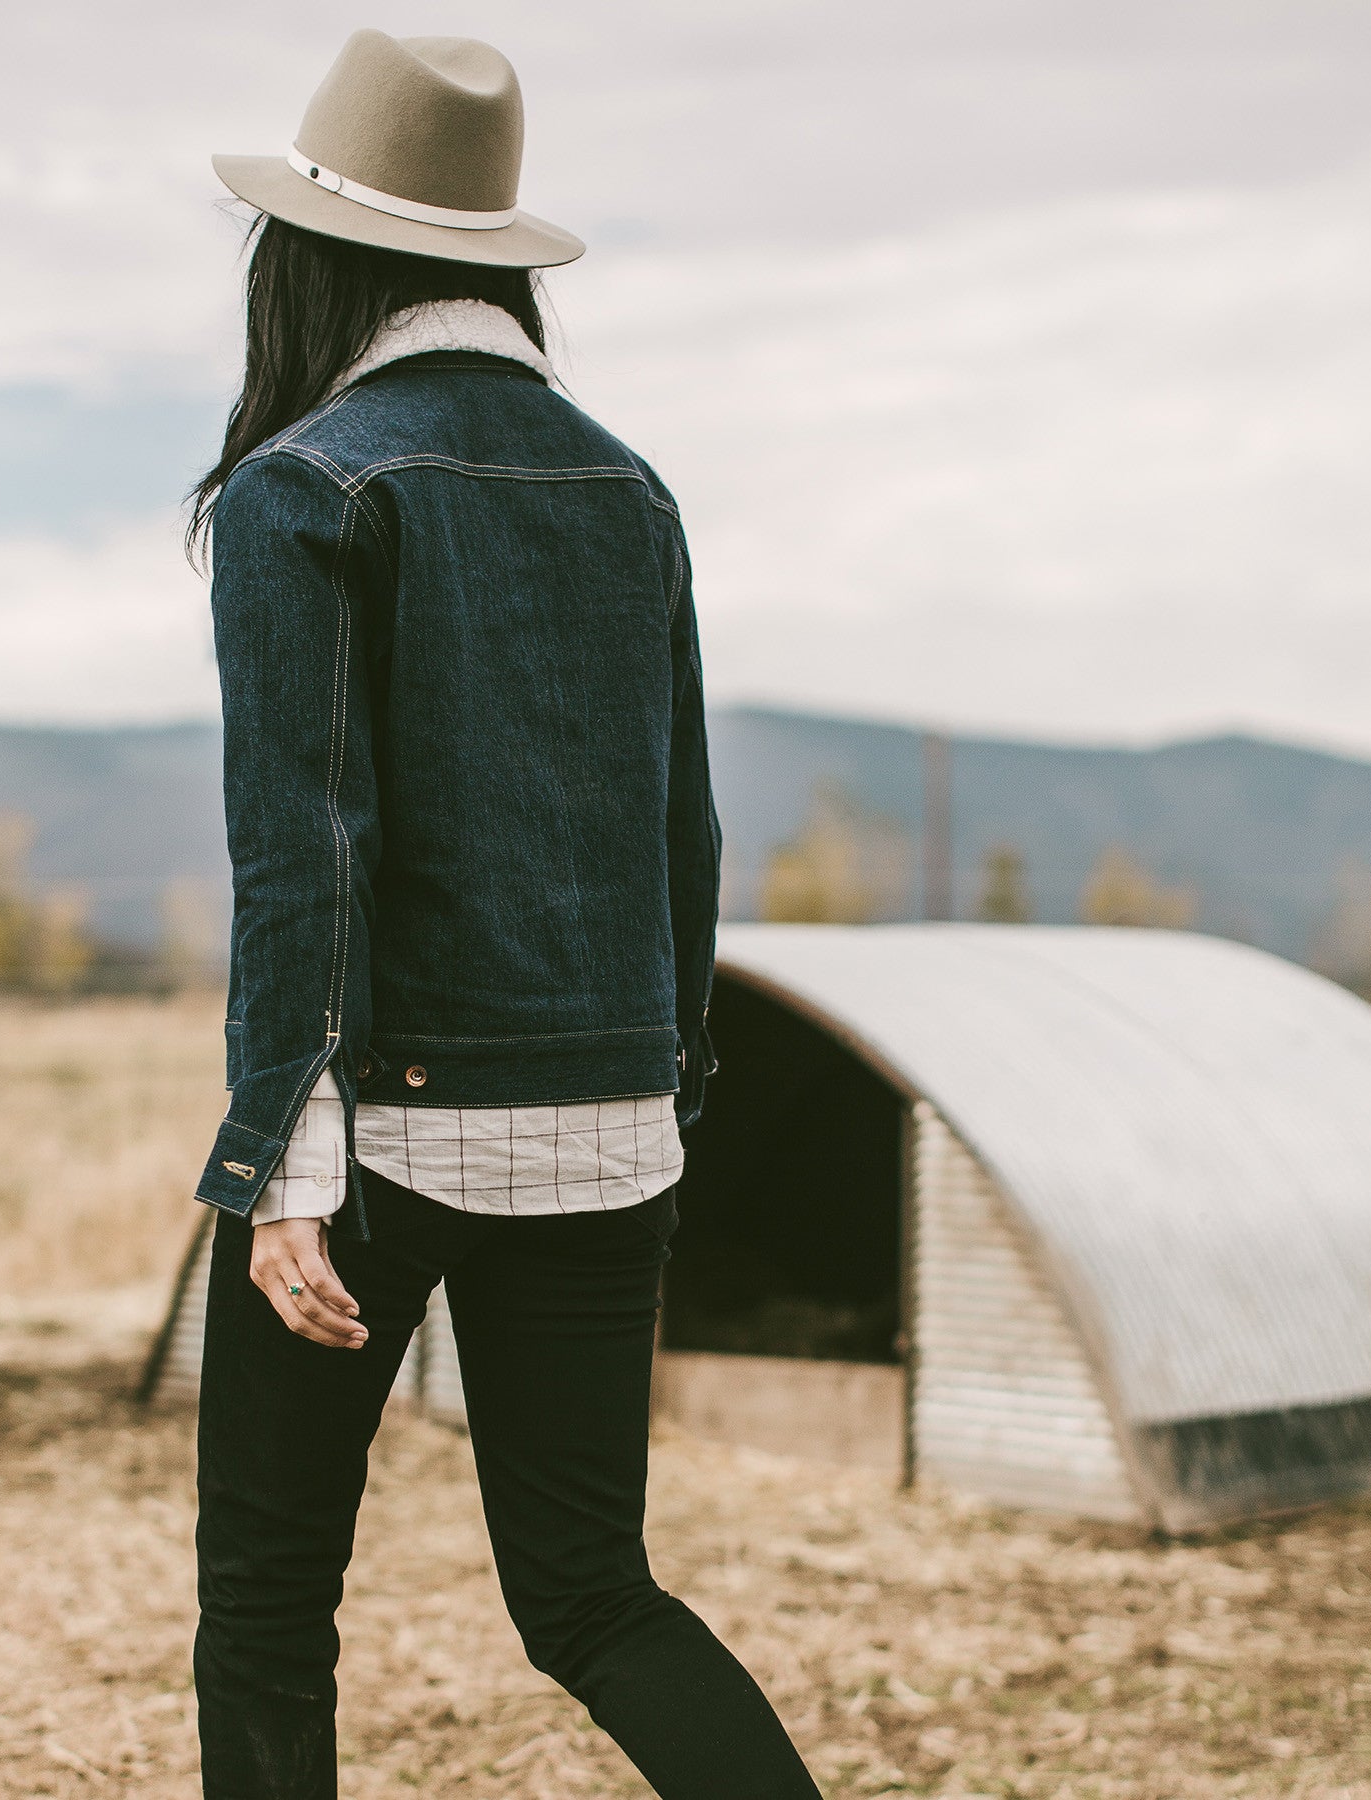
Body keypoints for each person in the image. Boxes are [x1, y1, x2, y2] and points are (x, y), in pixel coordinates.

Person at [187, 29, 822, 1800]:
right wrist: (665, 1095)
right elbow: (680, 832)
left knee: (263, 1601)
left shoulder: (300, 487)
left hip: (373, 1129)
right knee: (593, 1599)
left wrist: (282, 1157)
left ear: (308, 255)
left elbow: (301, 842)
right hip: (612, 1127)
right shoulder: (631, 490)